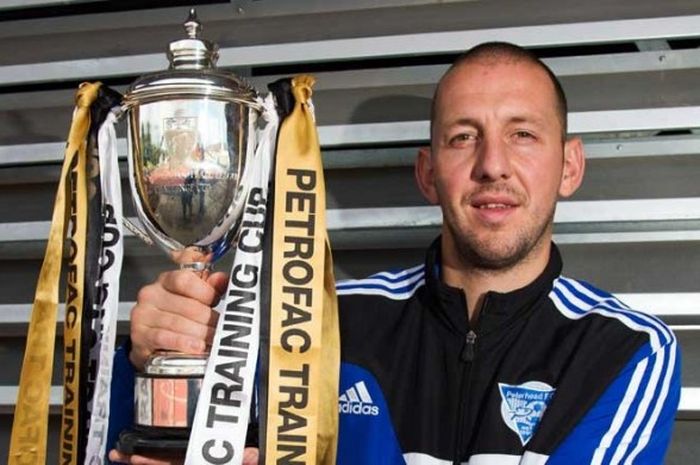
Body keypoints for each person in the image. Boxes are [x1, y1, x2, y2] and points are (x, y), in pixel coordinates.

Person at [109, 42, 681, 464]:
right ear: (428, 174)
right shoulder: (321, 322)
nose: (492, 165)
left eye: (523, 134)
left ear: (570, 166)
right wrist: (159, 351)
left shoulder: (627, 351)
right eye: (463, 136)